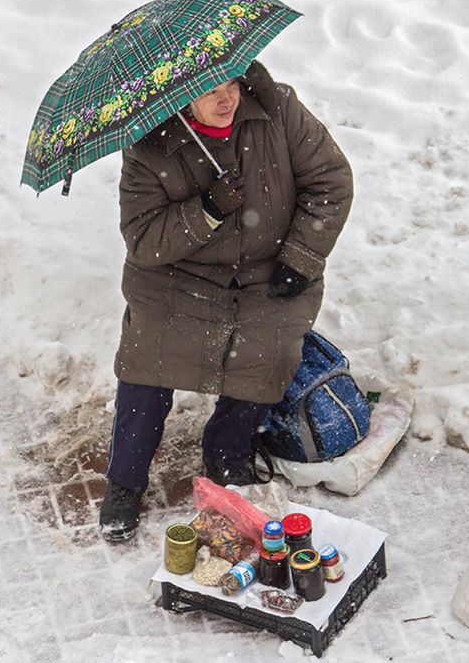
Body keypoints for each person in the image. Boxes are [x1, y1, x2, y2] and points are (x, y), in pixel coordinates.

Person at [99, 61, 353, 542]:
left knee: (267, 351)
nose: (227, 100)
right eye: (211, 92)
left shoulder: (279, 110)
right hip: (177, 278)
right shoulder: (149, 146)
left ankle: (228, 455)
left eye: (231, 85)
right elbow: (144, 239)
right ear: (181, 99)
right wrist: (208, 210)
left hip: (267, 270)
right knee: (148, 363)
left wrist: (300, 257)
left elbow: (331, 182)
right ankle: (125, 479)